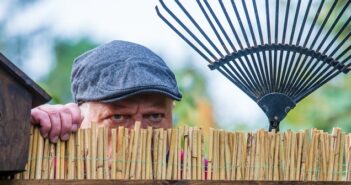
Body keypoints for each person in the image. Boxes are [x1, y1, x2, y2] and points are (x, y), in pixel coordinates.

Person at [31, 40, 182, 143]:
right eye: (118, 117)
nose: (138, 135)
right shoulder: (50, 171)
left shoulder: (199, 175)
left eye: (155, 116)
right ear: (80, 118)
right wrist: (24, 129)